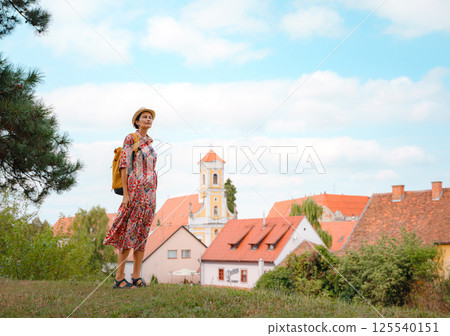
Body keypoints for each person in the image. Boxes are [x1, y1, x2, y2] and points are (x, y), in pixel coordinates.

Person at [104, 107, 157, 289]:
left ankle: (136, 276)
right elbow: (124, 166)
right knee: (129, 233)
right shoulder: (130, 138)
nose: (148, 119)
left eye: (150, 117)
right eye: (144, 117)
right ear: (137, 121)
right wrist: (126, 194)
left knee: (142, 235)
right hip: (134, 191)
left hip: (149, 194)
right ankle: (119, 278)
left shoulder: (150, 143)